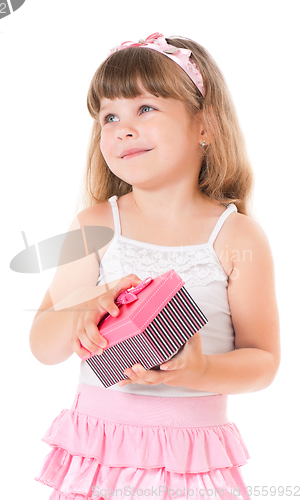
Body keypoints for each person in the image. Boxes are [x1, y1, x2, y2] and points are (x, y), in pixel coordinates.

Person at [29, 33, 280, 500]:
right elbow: (42, 345)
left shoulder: (236, 237)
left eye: (145, 108)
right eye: (109, 116)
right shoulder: (94, 226)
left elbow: (264, 363)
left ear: (203, 124)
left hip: (190, 466)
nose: (122, 128)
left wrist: (198, 370)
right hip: (97, 459)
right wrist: (79, 315)